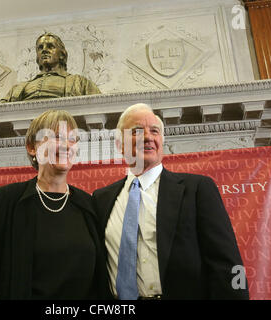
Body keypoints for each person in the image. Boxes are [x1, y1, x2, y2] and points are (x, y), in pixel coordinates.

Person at [92, 103, 249, 300]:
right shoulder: (100, 200)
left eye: (154, 131)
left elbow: (229, 264)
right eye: (137, 131)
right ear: (119, 144)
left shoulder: (197, 189)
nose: (148, 137)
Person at [0, 109, 109, 299]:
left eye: (72, 139)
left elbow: (101, 280)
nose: (66, 146)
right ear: (32, 147)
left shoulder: (88, 204)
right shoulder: (7, 199)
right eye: (56, 137)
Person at [0, 32, 101, 102]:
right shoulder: (18, 88)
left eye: (50, 46)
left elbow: (100, 105)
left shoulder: (81, 82)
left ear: (62, 54)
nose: (44, 50)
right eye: (40, 48)